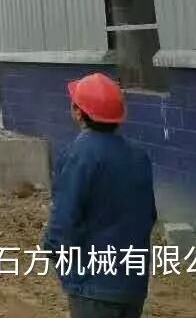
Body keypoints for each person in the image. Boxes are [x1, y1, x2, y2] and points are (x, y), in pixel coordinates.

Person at [42, 73, 156, 318]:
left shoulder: (79, 155)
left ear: (78, 113)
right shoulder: (138, 156)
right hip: (132, 285)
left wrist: (54, 251)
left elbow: (64, 220)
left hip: (93, 287)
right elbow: (148, 216)